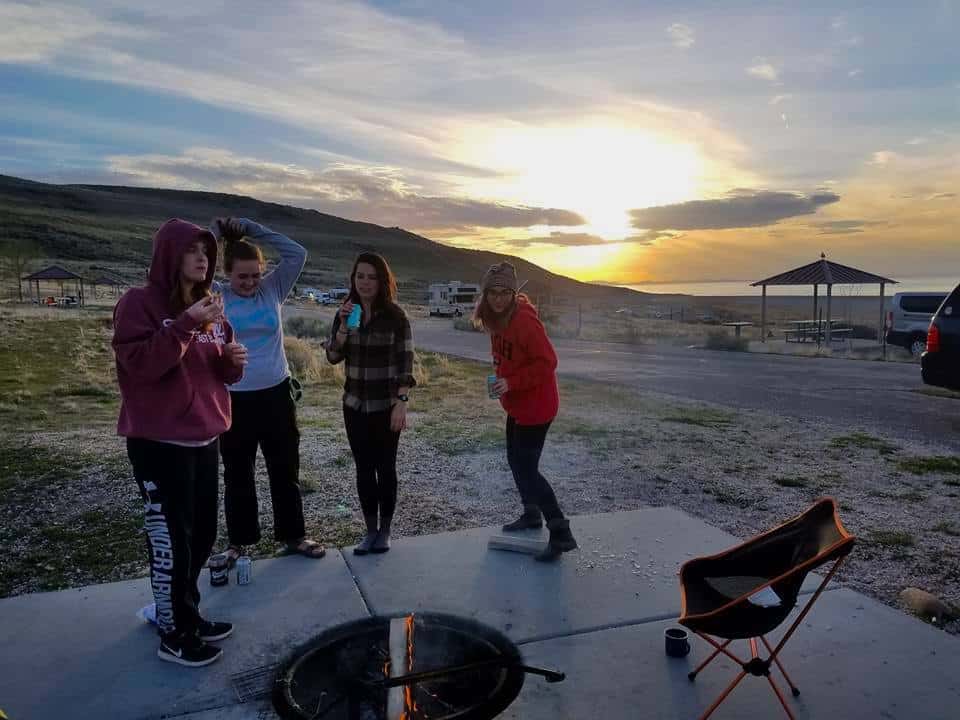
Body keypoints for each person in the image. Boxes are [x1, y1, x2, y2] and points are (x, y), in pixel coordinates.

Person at [113, 219, 247, 667]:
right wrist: (185, 326)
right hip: (159, 441)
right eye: (191, 250)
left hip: (204, 436)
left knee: (202, 534)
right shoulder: (139, 304)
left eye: (206, 251)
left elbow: (217, 374)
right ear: (169, 255)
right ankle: (173, 633)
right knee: (172, 541)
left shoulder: (209, 308)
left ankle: (186, 615)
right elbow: (139, 365)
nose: (202, 258)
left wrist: (232, 363)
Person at [210, 217, 325, 563]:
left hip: (276, 393)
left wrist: (253, 228)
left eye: (255, 274)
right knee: (238, 471)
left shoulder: (273, 289)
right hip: (234, 398)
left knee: (285, 468)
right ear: (227, 273)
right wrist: (213, 234)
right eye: (242, 276)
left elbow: (297, 254)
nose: (249, 282)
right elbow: (182, 264)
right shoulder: (215, 294)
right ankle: (238, 543)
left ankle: (294, 536)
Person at [474, 262, 578, 562]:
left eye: (504, 292)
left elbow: (548, 363)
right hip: (517, 403)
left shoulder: (525, 322)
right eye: (492, 292)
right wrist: (501, 382)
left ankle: (560, 533)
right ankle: (531, 514)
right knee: (515, 461)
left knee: (528, 469)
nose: (497, 298)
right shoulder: (494, 318)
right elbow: (505, 357)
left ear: (513, 292)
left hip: (538, 406)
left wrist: (512, 382)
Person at [325, 252, 415, 555]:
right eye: (360, 276)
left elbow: (405, 361)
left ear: (382, 281)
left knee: (386, 468)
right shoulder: (348, 313)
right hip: (355, 405)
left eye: (372, 276)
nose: (365, 282)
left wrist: (401, 402)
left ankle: (386, 532)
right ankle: (370, 531)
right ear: (353, 279)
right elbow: (334, 356)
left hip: (386, 405)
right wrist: (341, 328)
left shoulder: (395, 317)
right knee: (363, 469)